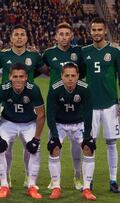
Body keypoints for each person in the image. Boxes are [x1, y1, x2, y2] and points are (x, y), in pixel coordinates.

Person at [81, 17, 120, 193]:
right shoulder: (85, 51)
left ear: (105, 30)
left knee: (111, 143)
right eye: (94, 30)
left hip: (110, 105)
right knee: (89, 144)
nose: (97, 33)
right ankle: (88, 181)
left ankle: (113, 180)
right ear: (90, 31)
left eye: (100, 30)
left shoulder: (115, 51)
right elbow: (77, 74)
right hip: (90, 105)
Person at [0, 24, 44, 187]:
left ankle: (28, 177)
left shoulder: (34, 55)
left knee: (29, 145)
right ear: (11, 38)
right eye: (16, 34)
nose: (19, 37)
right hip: (7, 103)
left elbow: (42, 69)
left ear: (27, 38)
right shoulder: (2, 55)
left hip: (28, 103)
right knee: (6, 146)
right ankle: (6, 177)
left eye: (22, 34)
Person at [0, 63, 45, 199]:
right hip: (8, 122)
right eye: (15, 76)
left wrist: (36, 139)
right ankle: (4, 185)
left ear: (26, 78)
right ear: (10, 77)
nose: (18, 80)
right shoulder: (2, 88)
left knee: (35, 149)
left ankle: (31, 185)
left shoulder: (33, 89)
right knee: (0, 148)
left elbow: (41, 114)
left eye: (21, 77)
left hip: (29, 123)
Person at [42, 22, 85, 190]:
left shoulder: (78, 52)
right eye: (61, 34)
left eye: (67, 34)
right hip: (56, 103)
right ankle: (54, 180)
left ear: (71, 36)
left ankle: (77, 177)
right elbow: (41, 69)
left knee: (77, 147)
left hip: (75, 102)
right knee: (53, 143)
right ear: (56, 36)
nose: (64, 37)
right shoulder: (49, 53)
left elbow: (83, 72)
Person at [46, 62, 96, 200]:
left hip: (78, 124)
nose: (70, 78)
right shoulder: (55, 89)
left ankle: (86, 188)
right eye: (67, 75)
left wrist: (87, 135)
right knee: (54, 148)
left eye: (73, 75)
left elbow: (88, 113)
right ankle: (56, 187)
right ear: (61, 76)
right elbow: (50, 114)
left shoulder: (85, 88)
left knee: (89, 148)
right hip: (59, 124)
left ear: (78, 76)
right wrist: (55, 136)